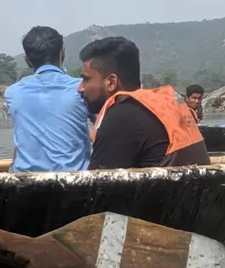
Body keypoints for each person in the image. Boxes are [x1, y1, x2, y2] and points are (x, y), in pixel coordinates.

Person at [79, 37, 211, 169]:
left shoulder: (122, 115)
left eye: (86, 79)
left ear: (111, 82)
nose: (80, 88)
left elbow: (95, 187)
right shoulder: (171, 101)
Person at [3, 26, 91, 172]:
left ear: (27, 60)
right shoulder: (81, 89)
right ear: (62, 54)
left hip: (25, 184)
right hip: (75, 184)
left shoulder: (13, 92)